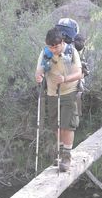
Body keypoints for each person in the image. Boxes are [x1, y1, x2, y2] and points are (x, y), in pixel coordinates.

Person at [35, 27, 83, 172]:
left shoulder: (71, 52)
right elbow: (39, 71)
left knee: (68, 125)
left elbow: (79, 74)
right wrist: (39, 76)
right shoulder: (45, 53)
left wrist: (65, 79)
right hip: (52, 93)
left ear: (62, 42)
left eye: (56, 46)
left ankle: (66, 157)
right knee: (56, 126)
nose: (53, 49)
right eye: (50, 46)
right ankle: (61, 154)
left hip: (69, 92)